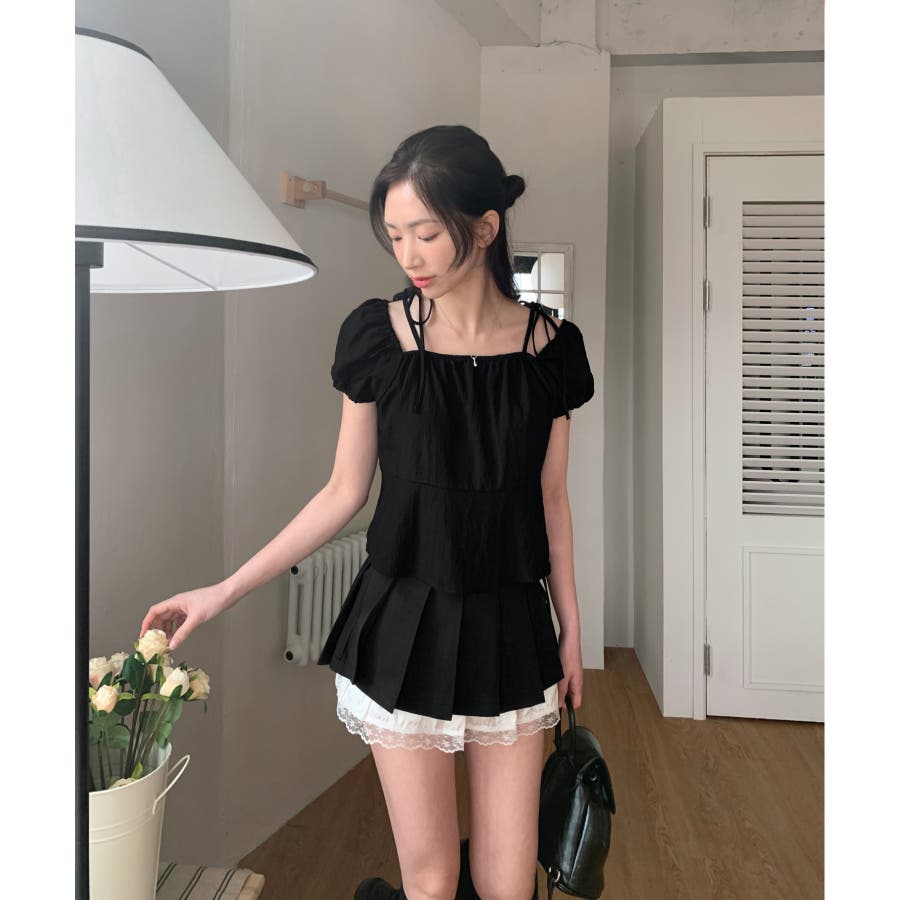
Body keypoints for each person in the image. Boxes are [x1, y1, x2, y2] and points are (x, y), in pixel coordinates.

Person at [140, 124, 594, 900]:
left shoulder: (552, 350)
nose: (409, 255)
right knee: (431, 882)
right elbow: (342, 493)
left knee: (509, 883)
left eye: (427, 233)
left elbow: (552, 498)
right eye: (395, 234)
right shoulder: (377, 338)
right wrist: (223, 591)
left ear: (485, 228)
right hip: (404, 621)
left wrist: (573, 630)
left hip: (513, 625)